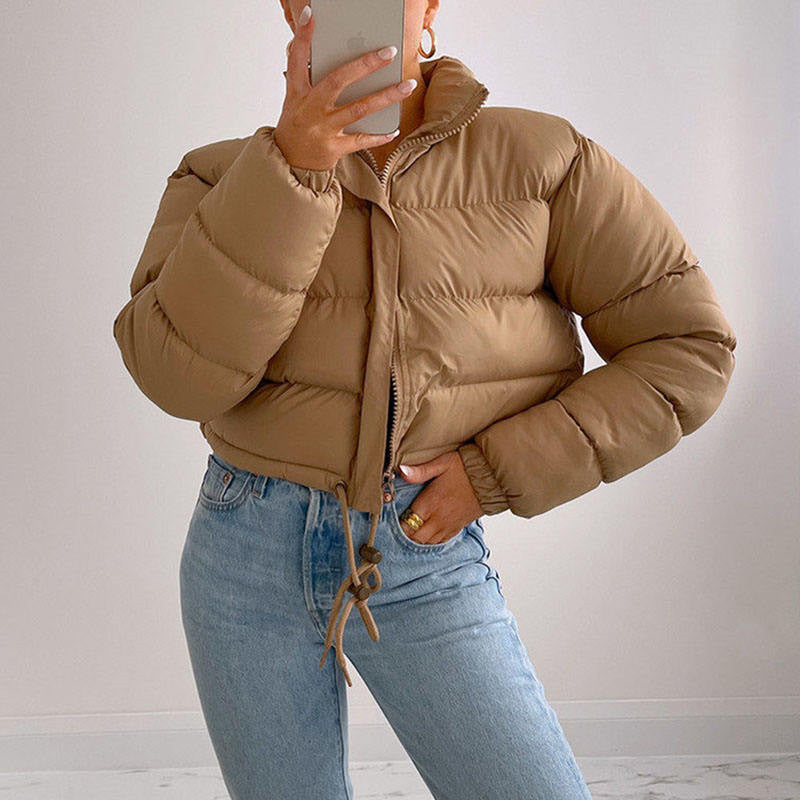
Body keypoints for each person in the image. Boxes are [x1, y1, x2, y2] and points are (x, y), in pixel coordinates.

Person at [111, 1, 737, 798]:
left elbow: (688, 349)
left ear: (430, 4)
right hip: (241, 551)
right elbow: (177, 380)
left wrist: (493, 471)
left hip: (420, 549)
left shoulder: (544, 163)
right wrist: (290, 171)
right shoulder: (216, 177)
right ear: (291, 10)